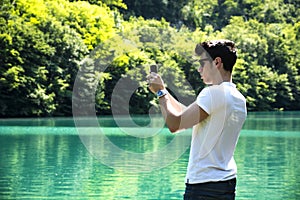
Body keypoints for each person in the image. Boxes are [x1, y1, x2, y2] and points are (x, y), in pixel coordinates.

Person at [147, 39, 247, 200]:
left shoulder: (212, 93)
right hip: (226, 184)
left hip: (203, 186)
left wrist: (160, 93)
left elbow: (175, 124)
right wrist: (164, 90)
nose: (199, 69)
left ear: (217, 62)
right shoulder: (238, 98)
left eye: (202, 64)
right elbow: (185, 115)